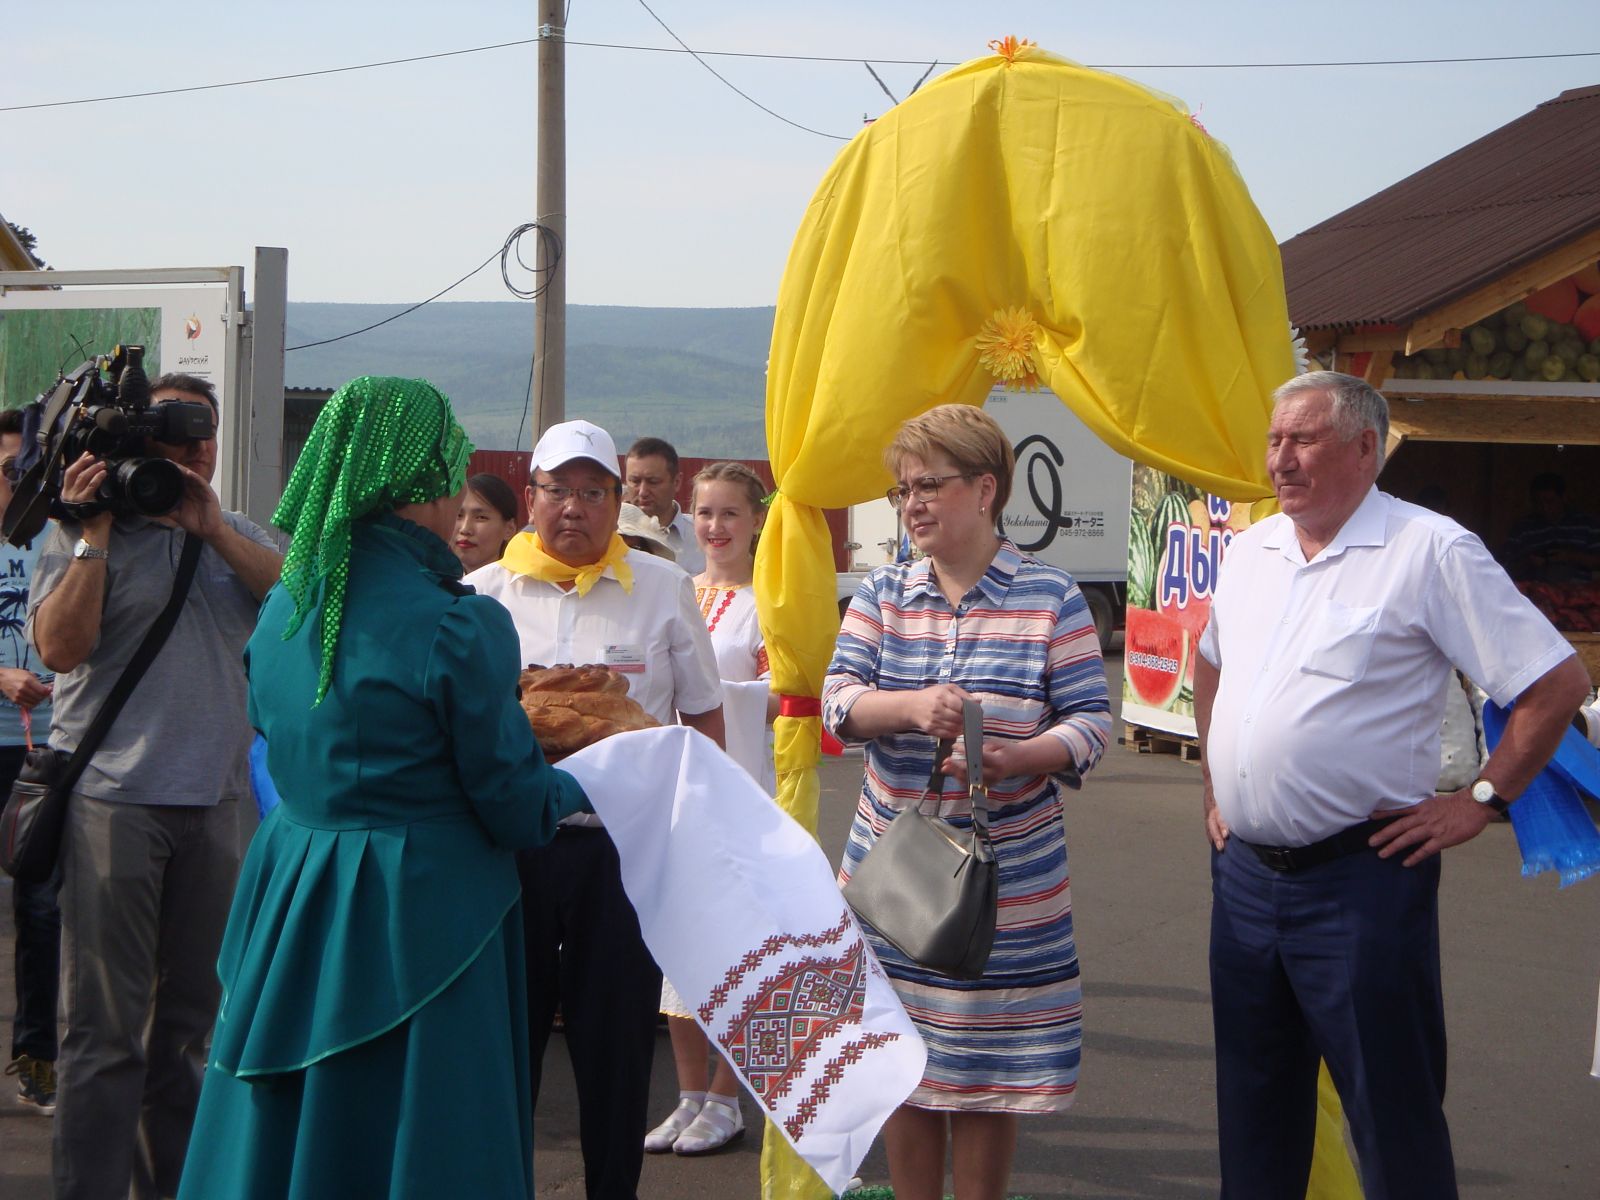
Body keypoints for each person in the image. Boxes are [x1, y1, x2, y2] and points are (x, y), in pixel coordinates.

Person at [175, 376, 590, 1199]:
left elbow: (277, 729)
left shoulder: (286, 606)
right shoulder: (458, 623)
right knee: (418, 1134)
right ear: (421, 482)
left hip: (294, 890)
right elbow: (512, 804)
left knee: (285, 1130)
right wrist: (590, 780)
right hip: (425, 909)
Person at [1196, 371, 1590, 1200]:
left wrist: (1481, 801)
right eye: (1274, 440)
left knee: (1391, 1115)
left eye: (1302, 439)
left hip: (1360, 879)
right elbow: (1211, 663)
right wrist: (1214, 785)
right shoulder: (1252, 550)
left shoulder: (1430, 549)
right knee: (1253, 1112)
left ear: (1366, 448)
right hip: (1245, 879)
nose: (1280, 459)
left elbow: (1553, 682)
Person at [823, 404, 1112, 1200]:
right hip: (890, 876)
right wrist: (912, 708)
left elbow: (1092, 724)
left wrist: (1020, 755)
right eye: (902, 490)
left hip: (1009, 884)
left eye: (929, 485)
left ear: (985, 490)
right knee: (902, 1066)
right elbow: (838, 703)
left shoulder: (1053, 595)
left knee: (991, 1076)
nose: (912, 504)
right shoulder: (883, 592)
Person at [27, 371, 282, 1200]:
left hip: (216, 805)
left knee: (188, 1032)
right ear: (136, 438)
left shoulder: (233, 532)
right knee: (105, 1034)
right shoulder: (74, 540)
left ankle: (178, 1188)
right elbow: (61, 651)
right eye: (173, 431)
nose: (193, 448)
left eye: (203, 432)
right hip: (114, 804)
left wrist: (212, 529)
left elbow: (296, 607)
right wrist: (95, 532)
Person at [466, 418, 725, 1200]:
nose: (572, 508)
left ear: (620, 501)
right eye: (556, 491)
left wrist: (694, 837)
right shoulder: (479, 598)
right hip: (511, 853)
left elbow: (703, 720)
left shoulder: (663, 588)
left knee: (615, 1050)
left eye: (591, 492)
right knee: (505, 1044)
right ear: (531, 497)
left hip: (623, 855)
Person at [646, 461, 775, 1157]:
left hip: (744, 793)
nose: (715, 527)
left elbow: (793, 697)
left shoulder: (772, 602)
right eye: (704, 513)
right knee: (677, 951)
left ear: (757, 520)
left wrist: (730, 692)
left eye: (729, 513)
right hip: (679, 795)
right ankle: (689, 1094)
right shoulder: (676, 591)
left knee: (739, 954)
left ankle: (729, 1097)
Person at [0, 408, 59, 1115]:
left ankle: (37, 1053)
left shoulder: (62, 538)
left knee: (42, 910)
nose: (12, 483)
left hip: (48, 750)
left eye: (21, 470)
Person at [1498, 471, 1600, 583]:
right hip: (1537, 593)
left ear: (1564, 498)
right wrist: (1529, 561)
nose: (1544, 508)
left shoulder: (1587, 525)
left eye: (1550, 501)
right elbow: (1502, 569)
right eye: (1538, 503)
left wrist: (1570, 556)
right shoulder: (1523, 529)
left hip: (1579, 594)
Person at [624, 435, 705, 575]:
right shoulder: (610, 536)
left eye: (653, 481)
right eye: (635, 481)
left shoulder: (704, 538)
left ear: (677, 482)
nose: (643, 492)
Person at [453, 471, 522, 572]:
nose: (465, 529)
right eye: (458, 515)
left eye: (481, 517)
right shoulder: (431, 583)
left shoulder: (522, 586)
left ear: (509, 529)